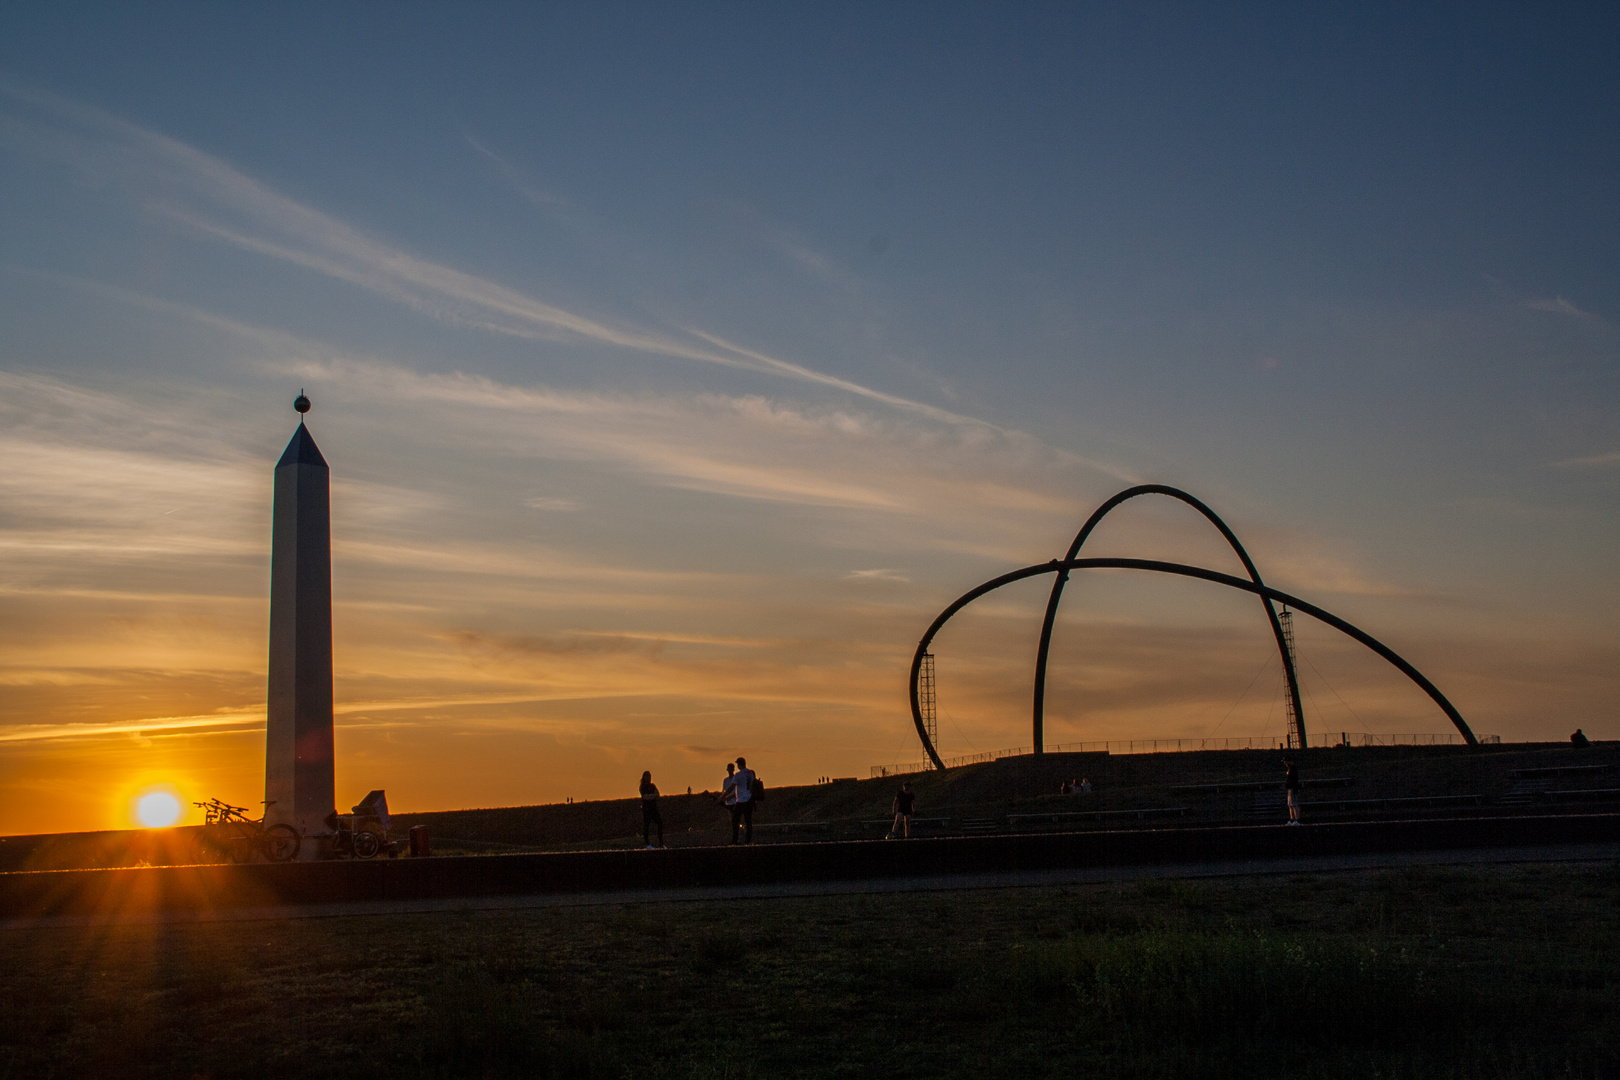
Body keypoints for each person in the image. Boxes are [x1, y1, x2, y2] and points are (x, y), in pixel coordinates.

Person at [731, 757, 756, 844]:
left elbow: (731, 788)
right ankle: (748, 840)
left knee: (735, 820)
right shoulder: (750, 773)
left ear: (739, 764)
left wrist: (722, 797)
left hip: (741, 800)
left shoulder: (738, 775)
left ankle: (735, 840)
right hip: (749, 799)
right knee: (748, 820)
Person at [639, 770, 663, 848]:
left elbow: (657, 794)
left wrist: (650, 796)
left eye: (649, 776)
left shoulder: (653, 786)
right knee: (646, 826)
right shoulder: (642, 787)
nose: (649, 778)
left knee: (660, 823)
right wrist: (651, 796)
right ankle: (648, 844)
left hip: (654, 808)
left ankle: (661, 843)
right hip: (646, 809)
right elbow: (645, 797)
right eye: (647, 776)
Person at [1284, 758, 1302, 824]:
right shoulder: (1290, 769)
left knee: (1294, 804)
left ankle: (1297, 819)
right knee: (1290, 805)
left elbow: (1294, 780)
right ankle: (1292, 819)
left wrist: (1291, 786)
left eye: (1286, 762)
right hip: (1290, 789)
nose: (1285, 764)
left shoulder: (1293, 769)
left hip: (1293, 789)